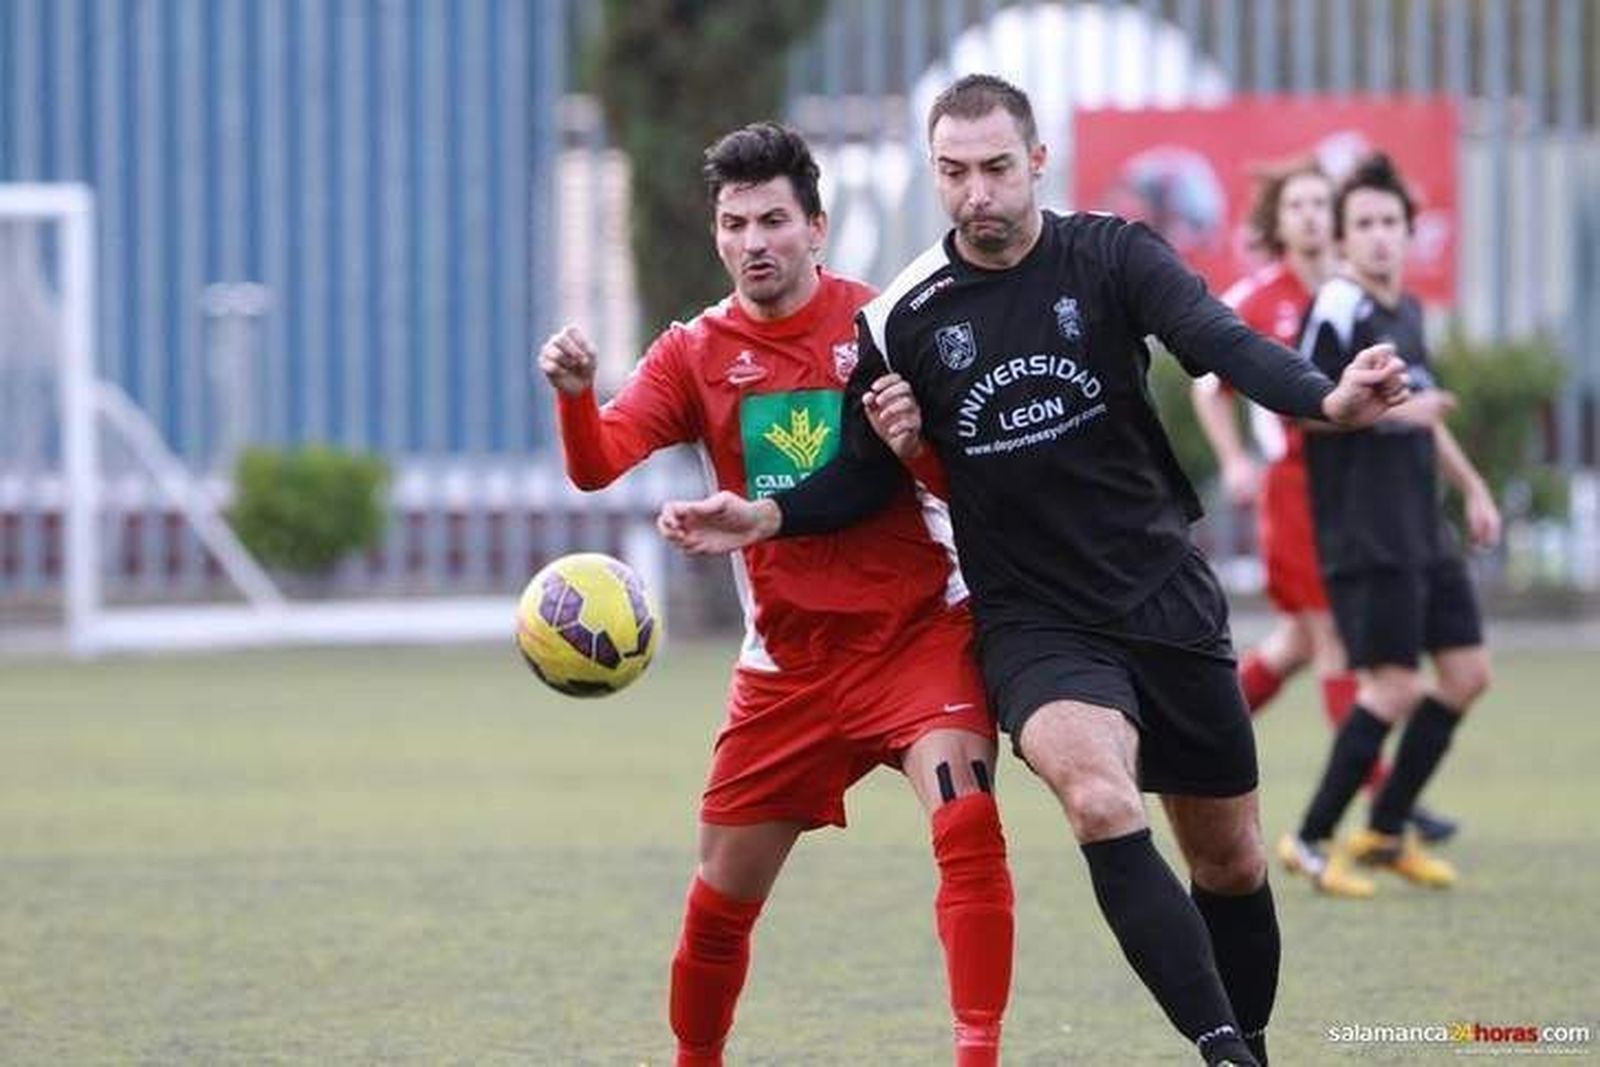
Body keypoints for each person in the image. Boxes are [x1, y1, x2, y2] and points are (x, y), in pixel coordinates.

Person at [658, 76, 1410, 1067]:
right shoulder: (901, 320)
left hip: (1160, 589)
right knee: (1100, 800)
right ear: (936, 175)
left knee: (1226, 858)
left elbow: (1220, 344)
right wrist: (763, 512)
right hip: (1031, 620)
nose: (978, 194)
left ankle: (1250, 1043)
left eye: (997, 168)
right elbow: (853, 474)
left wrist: (1327, 398)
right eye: (955, 173)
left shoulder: (1112, 254)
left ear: (1037, 161)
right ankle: (1221, 1047)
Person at [535, 122, 1014, 1067]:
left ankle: (977, 1053)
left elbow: (932, 477)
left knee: (966, 816)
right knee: (719, 898)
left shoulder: (882, 325)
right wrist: (578, 395)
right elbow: (598, 467)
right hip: (790, 668)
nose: (754, 241)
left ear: (817, 227)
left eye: (773, 220)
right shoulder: (692, 353)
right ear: (718, 235)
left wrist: (776, 506)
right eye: (734, 223)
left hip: (914, 638)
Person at [1190, 161, 1457, 852]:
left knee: (1301, 643)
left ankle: (1185, 736)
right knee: (1334, 640)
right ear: (1277, 222)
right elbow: (1207, 387)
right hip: (1294, 485)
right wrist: (1235, 459)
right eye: (1297, 205)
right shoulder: (1257, 295)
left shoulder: (1347, 293)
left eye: (1319, 204)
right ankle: (1376, 792)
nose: (1310, 215)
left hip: (1353, 482)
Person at [1278, 153, 1499, 896]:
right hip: (1365, 529)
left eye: (1389, 223)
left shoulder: (1408, 310)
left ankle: (1383, 827)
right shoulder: (1337, 306)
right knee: (1395, 687)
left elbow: (1423, 413)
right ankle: (1309, 837)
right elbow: (1302, 405)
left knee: (1468, 675)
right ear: (1343, 241)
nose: (1378, 237)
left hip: (1421, 526)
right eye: (1364, 224)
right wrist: (1399, 410)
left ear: (1410, 232)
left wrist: (1472, 489)